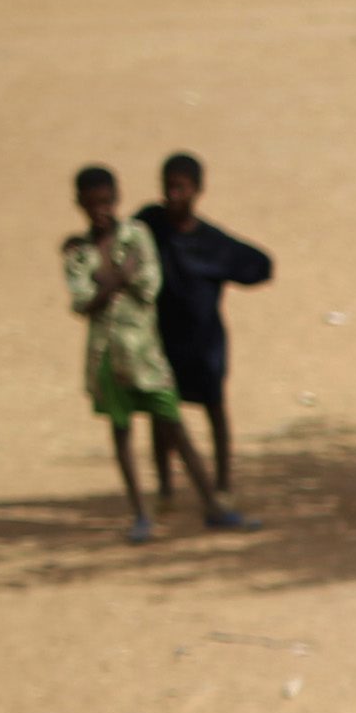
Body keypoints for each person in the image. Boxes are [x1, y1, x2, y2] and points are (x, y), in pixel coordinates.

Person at [60, 164, 215, 544]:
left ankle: (214, 505)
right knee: (122, 432)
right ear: (79, 203)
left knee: (174, 425)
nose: (101, 209)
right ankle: (141, 515)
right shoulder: (79, 253)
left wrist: (107, 283)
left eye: (107, 201)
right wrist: (119, 277)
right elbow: (82, 302)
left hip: (146, 355)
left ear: (117, 198)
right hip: (108, 360)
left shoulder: (136, 236)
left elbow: (148, 286)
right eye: (93, 202)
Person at [142, 151, 273, 531]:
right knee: (162, 415)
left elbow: (259, 264)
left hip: (204, 344)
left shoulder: (211, 242)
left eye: (181, 186)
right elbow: (122, 241)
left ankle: (222, 484)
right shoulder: (149, 225)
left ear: (198, 190)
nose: (173, 194)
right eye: (168, 186)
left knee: (215, 409)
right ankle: (166, 486)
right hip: (164, 341)